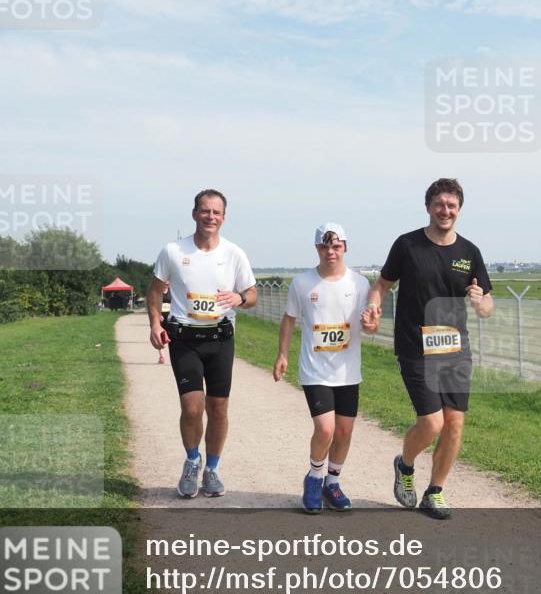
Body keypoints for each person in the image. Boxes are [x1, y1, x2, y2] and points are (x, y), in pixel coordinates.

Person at [363, 178, 493, 519]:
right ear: (428, 207)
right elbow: (381, 285)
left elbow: (487, 305)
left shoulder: (469, 253)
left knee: (454, 424)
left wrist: (481, 302)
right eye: (439, 204)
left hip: (455, 349)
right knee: (432, 423)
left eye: (451, 205)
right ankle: (405, 465)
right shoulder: (407, 245)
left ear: (459, 210)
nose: (445, 210)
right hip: (415, 346)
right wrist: (374, 306)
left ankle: (435, 492)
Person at [147, 189, 257, 499]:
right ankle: (192, 461)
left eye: (216, 212)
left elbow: (252, 295)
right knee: (192, 407)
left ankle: (212, 470)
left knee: (218, 408)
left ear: (224, 217)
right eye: (205, 211)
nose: (211, 217)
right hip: (184, 339)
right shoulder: (172, 251)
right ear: (194, 214)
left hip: (220, 339)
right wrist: (155, 323)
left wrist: (239, 297)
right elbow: (154, 292)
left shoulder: (234, 254)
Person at [273, 223, 375, 514]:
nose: (330, 252)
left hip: (348, 372)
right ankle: (314, 477)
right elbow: (289, 320)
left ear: (345, 247)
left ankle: (333, 482)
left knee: (343, 432)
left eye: (336, 246)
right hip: (315, 370)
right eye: (324, 246)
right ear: (317, 248)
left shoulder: (360, 284)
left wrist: (371, 325)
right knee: (325, 428)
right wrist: (282, 354)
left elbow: (369, 325)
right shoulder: (303, 284)